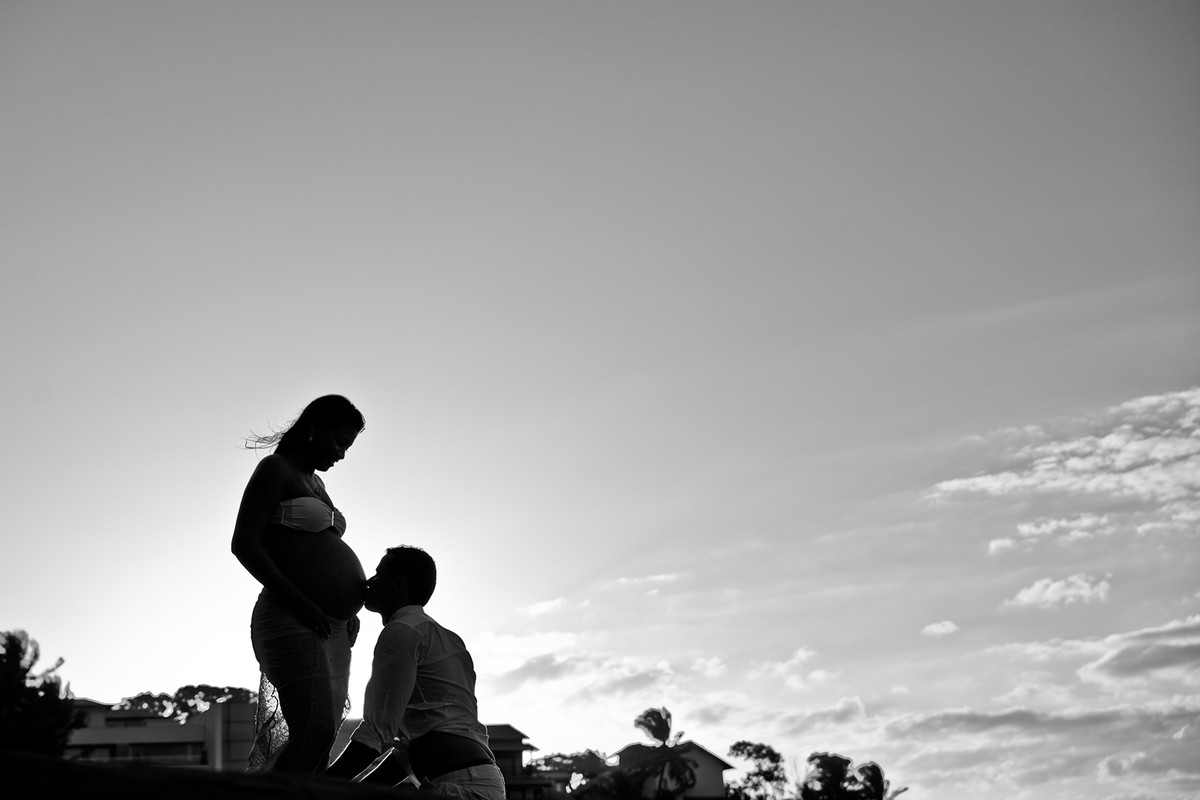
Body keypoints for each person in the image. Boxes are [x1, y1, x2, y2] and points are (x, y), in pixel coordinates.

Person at [231, 394, 367, 773]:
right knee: (314, 731)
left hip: (330, 626)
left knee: (320, 740)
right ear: (314, 429)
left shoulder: (318, 484)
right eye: (339, 442)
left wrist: (349, 605)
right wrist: (302, 601)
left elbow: (322, 550)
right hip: (291, 615)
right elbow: (243, 543)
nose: (341, 454)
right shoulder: (276, 469)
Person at [326, 546, 505, 800]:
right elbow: (408, 757)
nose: (369, 582)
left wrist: (317, 787)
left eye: (379, 574)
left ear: (398, 585)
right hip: (479, 781)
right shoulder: (448, 638)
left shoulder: (403, 631)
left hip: (459, 786)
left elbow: (376, 732)